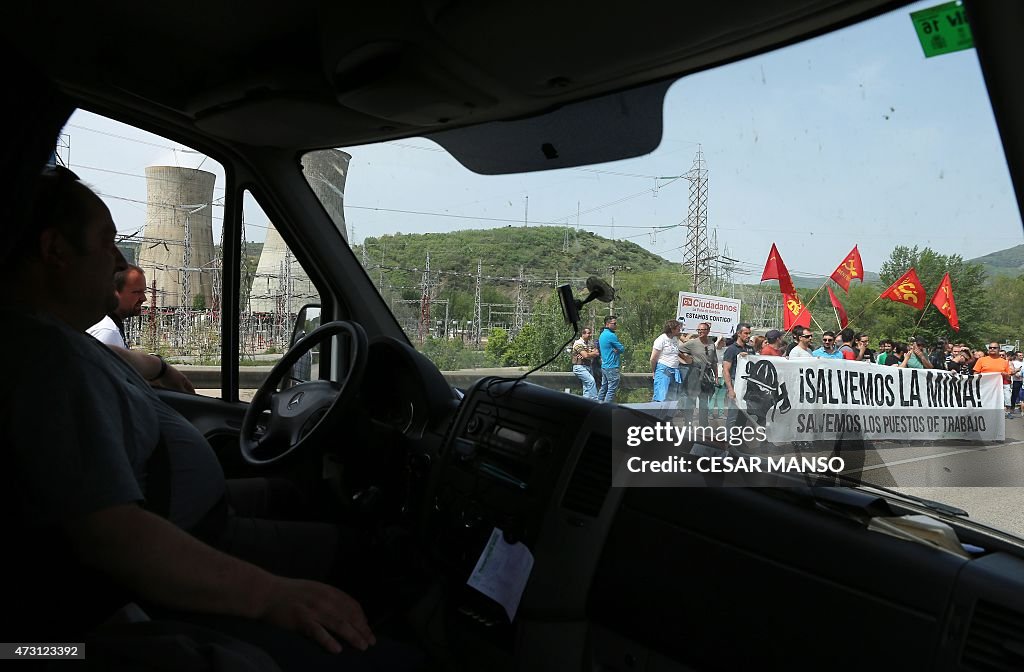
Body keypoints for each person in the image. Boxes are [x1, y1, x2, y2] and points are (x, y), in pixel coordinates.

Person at [3, 167, 392, 667]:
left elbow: (118, 362)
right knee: (371, 558)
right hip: (161, 554)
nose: (120, 260)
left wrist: (157, 363)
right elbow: (116, 536)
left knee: (300, 496)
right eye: (106, 241)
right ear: (55, 250)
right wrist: (273, 596)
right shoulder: (43, 359)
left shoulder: (55, 334)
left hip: (189, 517)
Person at [87, 262, 195, 393]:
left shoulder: (110, 325)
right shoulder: (107, 331)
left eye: (143, 291)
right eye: (137, 292)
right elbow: (106, 388)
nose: (143, 298)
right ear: (114, 292)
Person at [680, 322, 718, 425]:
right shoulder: (692, 343)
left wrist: (716, 377)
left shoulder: (711, 343)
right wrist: (686, 358)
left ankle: (703, 425)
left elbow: (714, 362)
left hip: (707, 374)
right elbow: (678, 349)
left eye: (703, 330)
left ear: (708, 331)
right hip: (695, 372)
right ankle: (688, 423)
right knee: (691, 399)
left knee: (704, 400)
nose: (700, 332)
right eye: (699, 330)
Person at [722, 323, 754, 431]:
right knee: (733, 415)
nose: (748, 336)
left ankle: (739, 440)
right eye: (745, 333)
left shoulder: (750, 349)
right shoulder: (731, 349)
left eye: (749, 333)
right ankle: (728, 441)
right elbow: (726, 370)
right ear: (739, 334)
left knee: (743, 415)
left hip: (747, 386)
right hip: (736, 384)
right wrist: (730, 389)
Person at [649, 319, 682, 403]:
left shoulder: (675, 339)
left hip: (674, 369)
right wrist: (654, 371)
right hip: (663, 369)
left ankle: (668, 415)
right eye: (678, 328)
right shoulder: (661, 339)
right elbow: (653, 358)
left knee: (672, 397)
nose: (679, 330)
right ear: (672, 329)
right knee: (661, 396)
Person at [598, 315, 625, 403]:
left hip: (605, 366)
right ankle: (605, 409)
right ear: (607, 324)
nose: (616, 325)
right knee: (611, 390)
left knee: (604, 388)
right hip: (612, 366)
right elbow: (621, 349)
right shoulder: (611, 335)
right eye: (614, 323)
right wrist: (617, 349)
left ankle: (597, 405)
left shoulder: (602, 334)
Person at [571, 327, 600, 399]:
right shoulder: (578, 343)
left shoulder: (590, 343)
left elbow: (597, 353)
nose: (590, 335)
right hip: (579, 367)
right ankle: (595, 400)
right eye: (588, 333)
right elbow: (586, 355)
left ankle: (585, 404)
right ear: (583, 334)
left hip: (588, 367)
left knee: (586, 388)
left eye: (590, 333)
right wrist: (589, 354)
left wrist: (588, 354)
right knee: (591, 381)